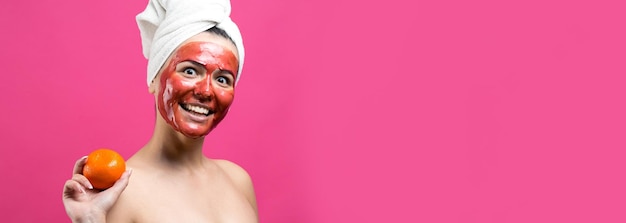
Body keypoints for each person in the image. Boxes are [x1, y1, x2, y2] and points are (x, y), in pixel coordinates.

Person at [62, 0, 258, 222]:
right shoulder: (120, 193)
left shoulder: (238, 180)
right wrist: (89, 220)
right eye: (190, 71)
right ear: (154, 78)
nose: (205, 91)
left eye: (222, 79)